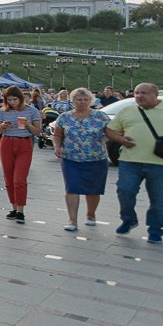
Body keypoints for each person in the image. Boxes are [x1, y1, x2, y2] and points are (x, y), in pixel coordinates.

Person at [105, 83, 163, 243]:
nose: (139, 96)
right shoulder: (127, 111)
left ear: (155, 95)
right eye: (137, 93)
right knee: (124, 191)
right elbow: (110, 129)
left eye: (144, 93)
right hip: (129, 162)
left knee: (159, 200)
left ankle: (155, 230)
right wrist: (120, 139)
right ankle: (128, 220)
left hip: (162, 164)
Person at [52, 88, 111, 232]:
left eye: (86, 100)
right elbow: (58, 135)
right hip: (71, 158)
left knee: (93, 190)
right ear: (72, 101)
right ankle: (72, 220)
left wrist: (124, 138)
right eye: (79, 99)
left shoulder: (100, 116)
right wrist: (57, 146)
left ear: (91, 101)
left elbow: (111, 133)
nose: (82, 102)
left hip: (96, 158)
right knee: (71, 188)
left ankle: (91, 215)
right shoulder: (64, 117)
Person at [0, 86, 43, 224]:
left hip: (24, 143)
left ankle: (21, 210)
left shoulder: (31, 110)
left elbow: (38, 132)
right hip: (7, 142)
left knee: (19, 179)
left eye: (15, 99)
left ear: (21, 98)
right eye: (9, 100)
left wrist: (28, 124)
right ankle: (14, 207)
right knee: (8, 179)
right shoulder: (2, 111)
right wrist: (3, 126)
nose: (12, 102)